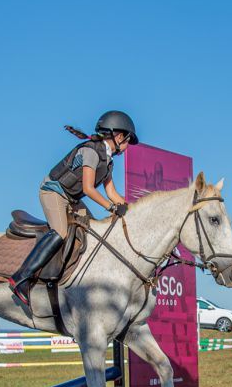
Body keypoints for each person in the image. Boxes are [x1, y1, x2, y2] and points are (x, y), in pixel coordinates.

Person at [7, 110, 139, 315]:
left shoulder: (108, 161)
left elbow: (112, 192)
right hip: (53, 192)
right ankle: (21, 277)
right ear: (119, 136)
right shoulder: (91, 152)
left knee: (94, 232)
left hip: (71, 199)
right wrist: (111, 207)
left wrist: (132, 210)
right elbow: (88, 188)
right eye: (128, 140)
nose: (128, 146)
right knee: (60, 231)